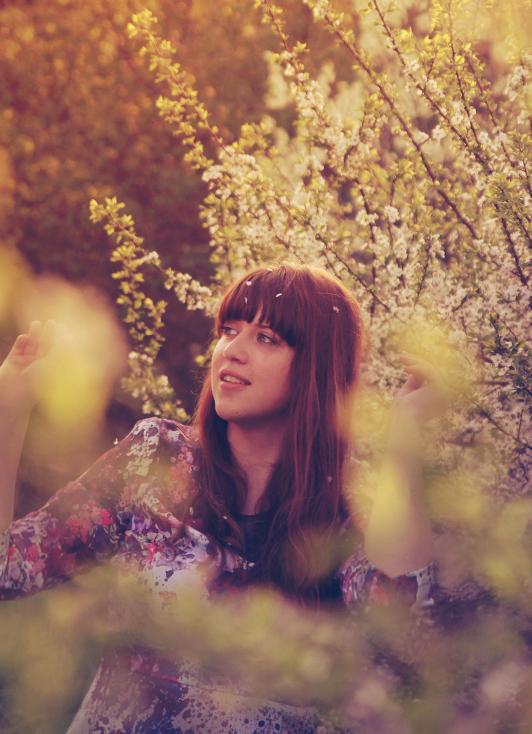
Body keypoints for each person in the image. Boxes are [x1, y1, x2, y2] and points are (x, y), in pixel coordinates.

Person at [0, 264, 446, 734]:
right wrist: (10, 405)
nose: (232, 350)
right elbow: (8, 567)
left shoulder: (344, 514)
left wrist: (405, 438)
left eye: (267, 338)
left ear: (318, 364)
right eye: (229, 331)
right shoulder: (155, 458)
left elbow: (400, 628)